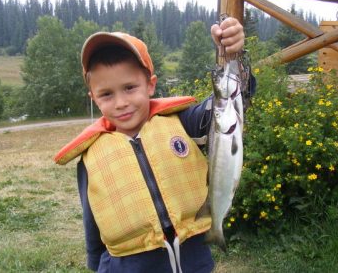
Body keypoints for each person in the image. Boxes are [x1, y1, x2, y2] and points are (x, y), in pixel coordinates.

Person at [54, 17, 247, 273]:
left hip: (194, 262)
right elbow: (93, 222)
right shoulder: (90, 157)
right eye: (107, 94)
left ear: (151, 85)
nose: (121, 102)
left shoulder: (184, 122)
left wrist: (234, 56)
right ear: (93, 98)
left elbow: (227, 104)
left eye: (130, 87)